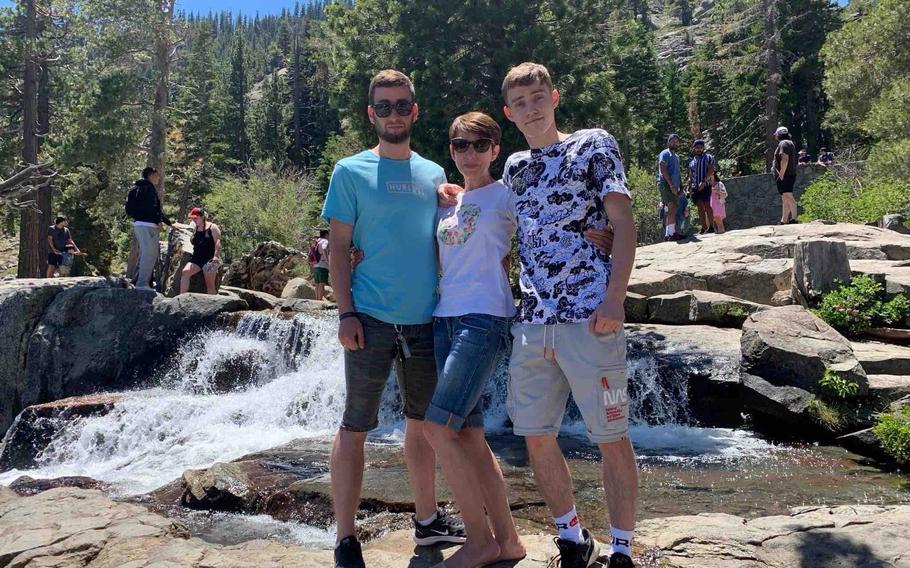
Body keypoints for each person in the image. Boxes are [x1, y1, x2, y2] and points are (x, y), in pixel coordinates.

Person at [442, 62, 638, 568]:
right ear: (509, 113)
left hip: (590, 315)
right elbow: (492, 221)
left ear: (554, 97)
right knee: (535, 433)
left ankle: (622, 547)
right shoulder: (514, 169)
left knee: (611, 435)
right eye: (520, 103)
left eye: (538, 97)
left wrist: (614, 298)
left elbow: (623, 222)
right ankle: (571, 537)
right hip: (531, 321)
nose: (530, 108)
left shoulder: (593, 144)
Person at [320, 69, 466, 568]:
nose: (393, 114)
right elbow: (339, 249)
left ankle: (426, 524)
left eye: (402, 105)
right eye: (383, 107)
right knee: (355, 425)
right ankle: (345, 537)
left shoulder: (432, 176)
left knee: (423, 425)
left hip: (427, 320)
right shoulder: (349, 172)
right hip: (370, 318)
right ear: (371, 114)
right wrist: (345, 313)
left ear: (414, 111)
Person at [419, 112, 528, 568]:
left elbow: (548, 227)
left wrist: (601, 236)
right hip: (444, 317)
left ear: (494, 150)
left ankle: (478, 541)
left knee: (436, 426)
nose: (469, 153)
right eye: (460, 145)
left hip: (484, 317)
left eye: (478, 145)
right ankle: (508, 541)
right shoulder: (446, 201)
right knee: (469, 435)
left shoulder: (507, 194)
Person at [126, 167, 172, 291]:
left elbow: (128, 210)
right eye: (157, 175)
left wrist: (139, 216)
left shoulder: (135, 189)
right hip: (149, 225)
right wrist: (162, 221)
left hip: (138, 224)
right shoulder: (149, 189)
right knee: (149, 254)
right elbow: (154, 208)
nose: (158, 177)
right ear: (151, 175)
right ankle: (142, 284)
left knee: (145, 253)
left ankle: (137, 280)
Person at [179, 207, 222, 295]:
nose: (194, 220)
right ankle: (181, 297)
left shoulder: (212, 227)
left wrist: (216, 256)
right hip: (197, 258)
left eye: (195, 218)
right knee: (185, 272)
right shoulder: (195, 227)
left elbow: (218, 242)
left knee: (210, 285)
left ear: (202, 217)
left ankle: (214, 304)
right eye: (192, 218)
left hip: (210, 259)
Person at [657, 134, 683, 241]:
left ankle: (668, 234)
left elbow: (677, 172)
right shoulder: (665, 153)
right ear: (668, 142)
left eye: (676, 141)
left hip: (675, 185)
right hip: (666, 183)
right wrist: (671, 185)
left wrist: (681, 187)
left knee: (672, 209)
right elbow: (663, 168)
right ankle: (672, 234)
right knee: (672, 207)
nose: (674, 143)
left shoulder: (676, 157)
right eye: (672, 141)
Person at [688, 139, 716, 235]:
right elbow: (691, 176)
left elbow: (711, 170)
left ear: (703, 148)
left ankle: (712, 226)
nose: (699, 149)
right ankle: (704, 227)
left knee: (707, 205)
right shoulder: (692, 162)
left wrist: (703, 181)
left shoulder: (708, 157)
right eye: (697, 147)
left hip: (706, 185)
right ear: (694, 149)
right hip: (695, 187)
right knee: (699, 206)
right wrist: (688, 188)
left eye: (701, 147)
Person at [772, 126, 799, 224]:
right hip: (788, 174)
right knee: (785, 197)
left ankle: (794, 218)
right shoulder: (789, 143)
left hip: (785, 174)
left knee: (788, 195)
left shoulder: (783, 143)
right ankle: (784, 220)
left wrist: (782, 173)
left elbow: (785, 158)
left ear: (779, 135)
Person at [309, 229, 330, 301]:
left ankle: (317, 301)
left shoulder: (317, 241)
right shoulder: (325, 241)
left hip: (315, 265)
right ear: (326, 234)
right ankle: (320, 301)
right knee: (322, 284)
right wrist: (328, 261)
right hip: (323, 265)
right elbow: (324, 248)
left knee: (317, 284)